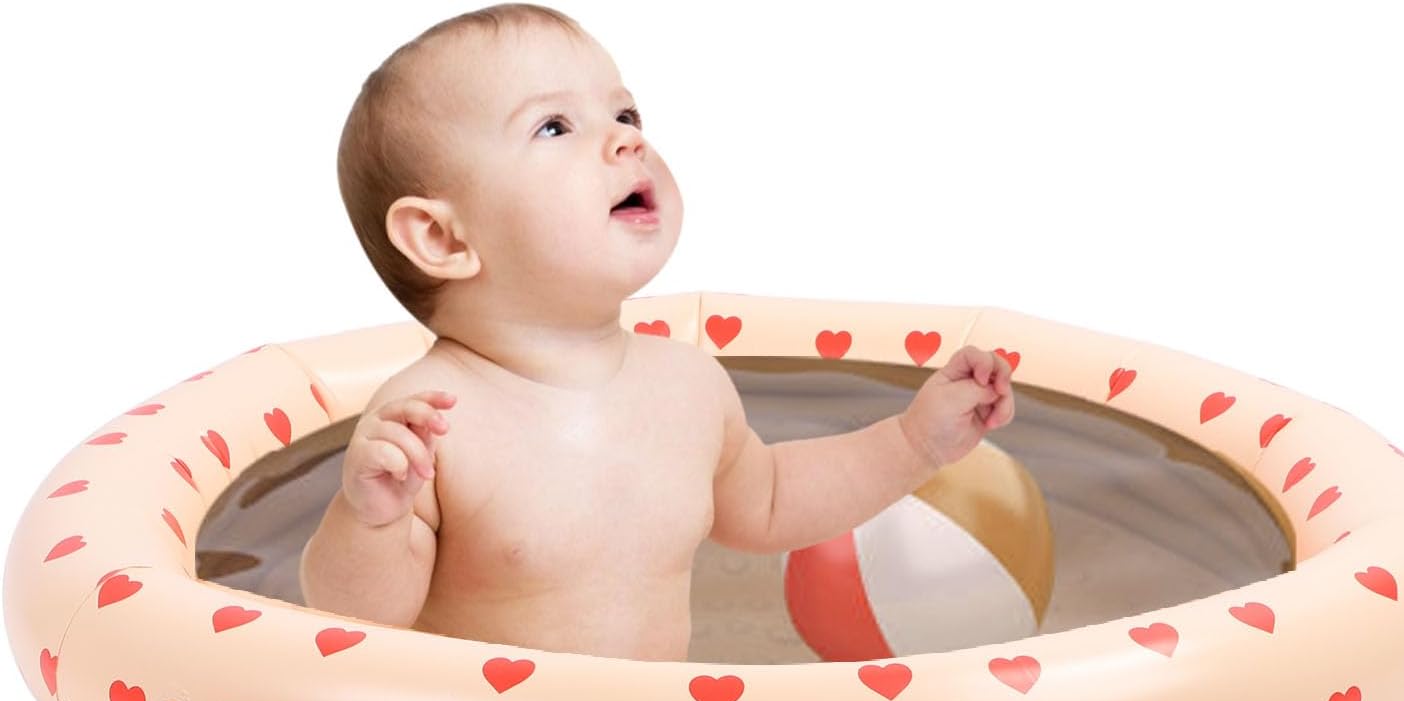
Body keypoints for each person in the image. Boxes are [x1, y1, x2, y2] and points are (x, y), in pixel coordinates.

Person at [299, 3, 1015, 662]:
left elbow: (770, 501)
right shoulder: (431, 423)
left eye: (625, 113)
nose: (626, 141)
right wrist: (370, 522)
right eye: (554, 127)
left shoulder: (687, 384)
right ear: (441, 238)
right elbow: (354, 621)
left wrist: (914, 442)